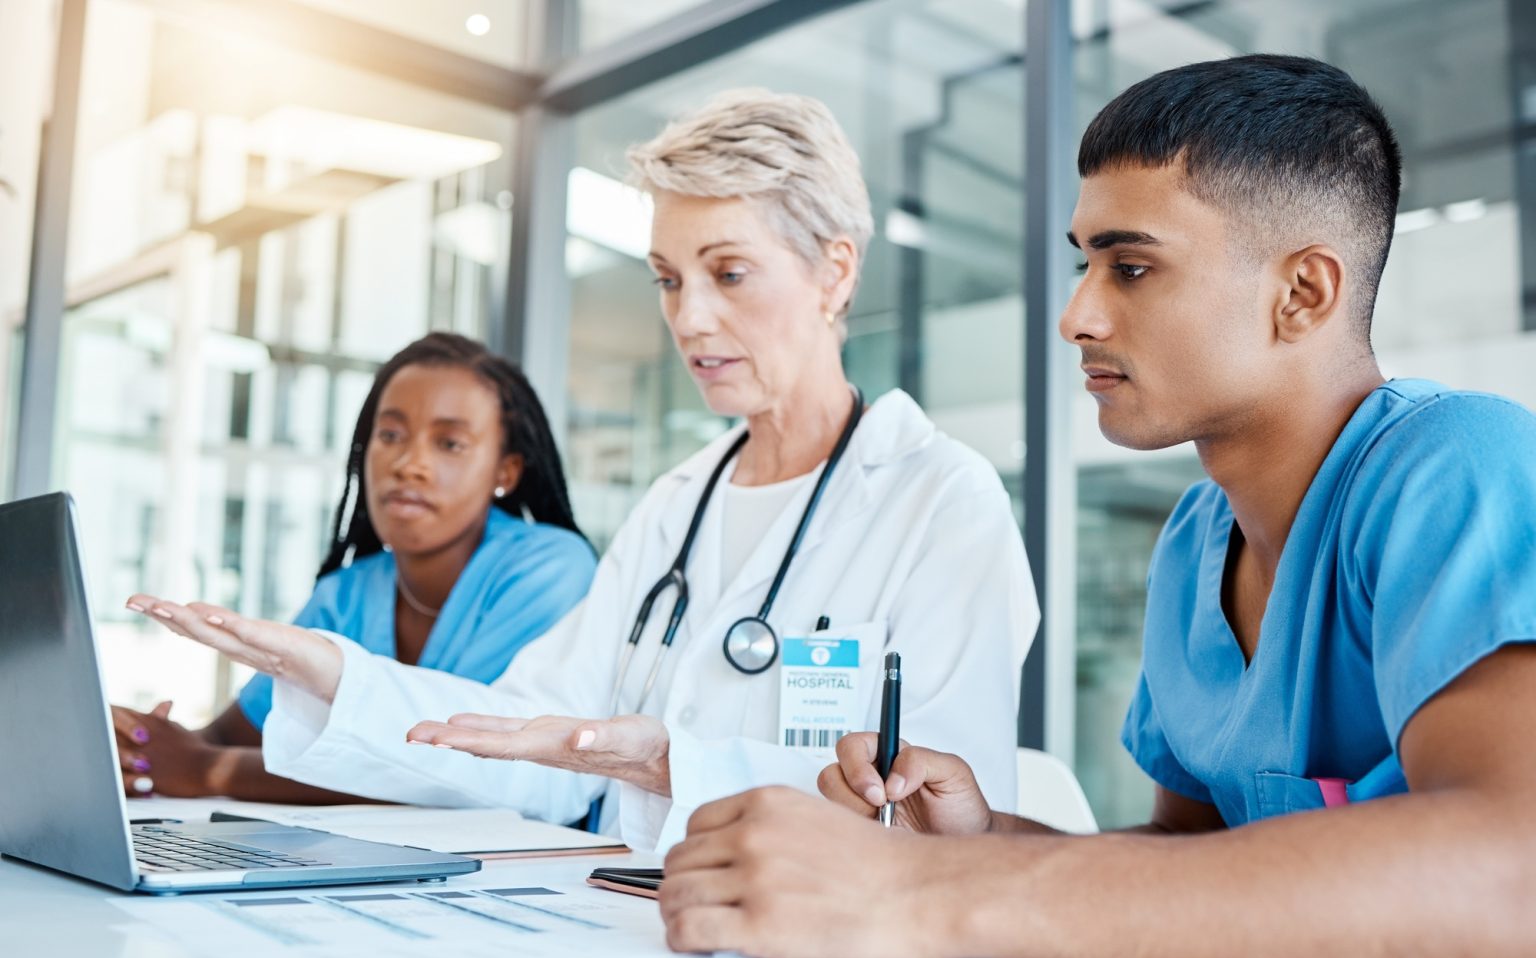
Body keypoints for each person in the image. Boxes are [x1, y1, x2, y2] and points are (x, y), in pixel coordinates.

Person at [657, 56, 1536, 958]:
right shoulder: (1200, 535)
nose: (1078, 314)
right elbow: (1186, 857)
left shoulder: (1459, 464)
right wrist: (976, 841)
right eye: (1085, 264)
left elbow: (1514, 877)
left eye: (1132, 266)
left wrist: (926, 894)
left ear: (1304, 294)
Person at [127, 89, 1039, 850]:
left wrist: (658, 758)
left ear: (835, 273)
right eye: (669, 279)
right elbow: (531, 732)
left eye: (728, 273)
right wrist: (337, 673)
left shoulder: (939, 500)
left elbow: (941, 814)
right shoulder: (680, 503)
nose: (689, 320)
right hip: (628, 921)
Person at [115, 333, 597, 802]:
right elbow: (228, 734)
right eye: (390, 435)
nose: (409, 463)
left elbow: (448, 764)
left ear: (505, 471)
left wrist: (208, 771)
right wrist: (141, 743)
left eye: (449, 444)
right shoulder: (349, 591)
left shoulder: (548, 566)